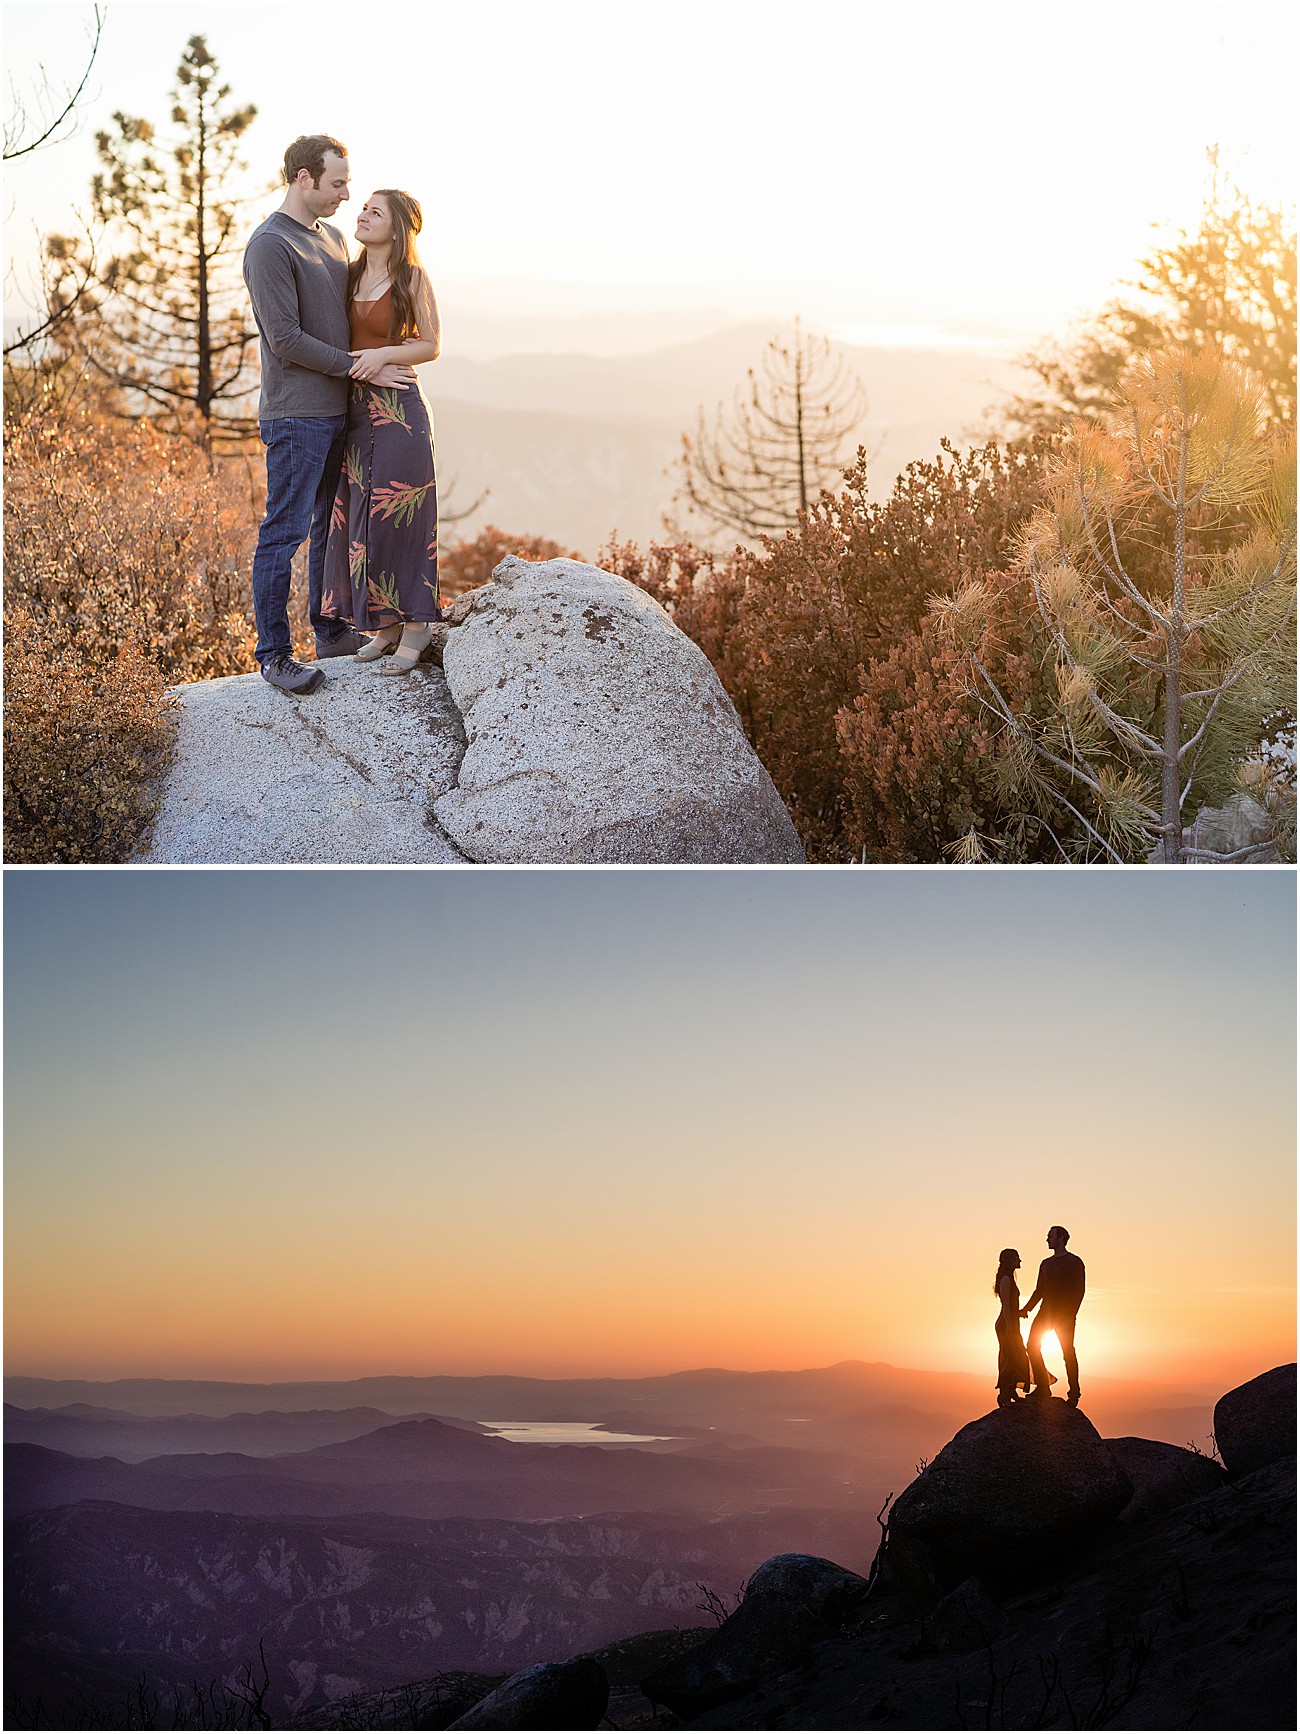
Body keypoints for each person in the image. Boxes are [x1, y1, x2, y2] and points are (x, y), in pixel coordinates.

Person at [242, 135, 416, 696]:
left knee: (326, 528)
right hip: (296, 416)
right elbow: (286, 339)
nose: (347, 192)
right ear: (302, 178)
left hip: (339, 413)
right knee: (283, 532)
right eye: (337, 182)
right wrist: (361, 368)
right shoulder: (271, 245)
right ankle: (273, 655)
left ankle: (327, 628)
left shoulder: (335, 239)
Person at [319, 188, 442, 674]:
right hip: (354, 413)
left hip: (401, 414)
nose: (363, 214)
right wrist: (359, 365)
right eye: (363, 207)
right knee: (362, 521)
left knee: (403, 518)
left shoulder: (412, 277)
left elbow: (431, 344)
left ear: (397, 228)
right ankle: (385, 626)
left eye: (376, 211)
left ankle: (417, 627)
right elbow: (328, 342)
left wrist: (381, 357)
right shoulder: (346, 275)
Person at [1021, 1225, 1086, 1405]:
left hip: (1064, 1316)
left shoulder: (1075, 1262)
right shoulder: (1045, 1264)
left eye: (1050, 1236)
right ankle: (1043, 1386)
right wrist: (1026, 1309)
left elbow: (1079, 1290)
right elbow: (1039, 1290)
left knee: (1067, 1353)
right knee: (1032, 1346)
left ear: (1061, 1238)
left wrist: (1071, 1313)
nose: (1047, 1239)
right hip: (1045, 1313)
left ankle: (1074, 1392)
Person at [993, 1248, 1033, 1408]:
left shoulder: (1009, 1278)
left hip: (1011, 1322)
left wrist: (1019, 1314)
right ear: (1010, 1260)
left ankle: (1011, 1391)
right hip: (1006, 1324)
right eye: (1017, 1258)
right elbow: (1006, 1305)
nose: (1020, 1261)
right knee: (1009, 1357)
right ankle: (1003, 1394)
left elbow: (1010, 1306)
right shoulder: (1005, 1279)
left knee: (1016, 1356)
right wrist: (1010, 1324)